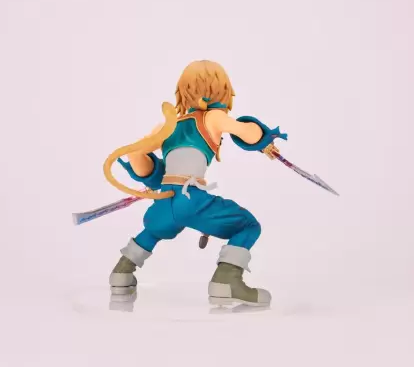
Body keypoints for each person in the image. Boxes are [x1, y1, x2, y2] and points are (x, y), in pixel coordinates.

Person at [105, 60, 287, 306]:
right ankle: (227, 280)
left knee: (153, 230)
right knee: (248, 225)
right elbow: (246, 133)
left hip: (165, 200)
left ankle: (122, 272)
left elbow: (140, 162)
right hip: (191, 198)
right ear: (221, 89)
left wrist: (151, 174)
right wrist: (264, 140)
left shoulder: (167, 126)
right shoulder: (213, 117)